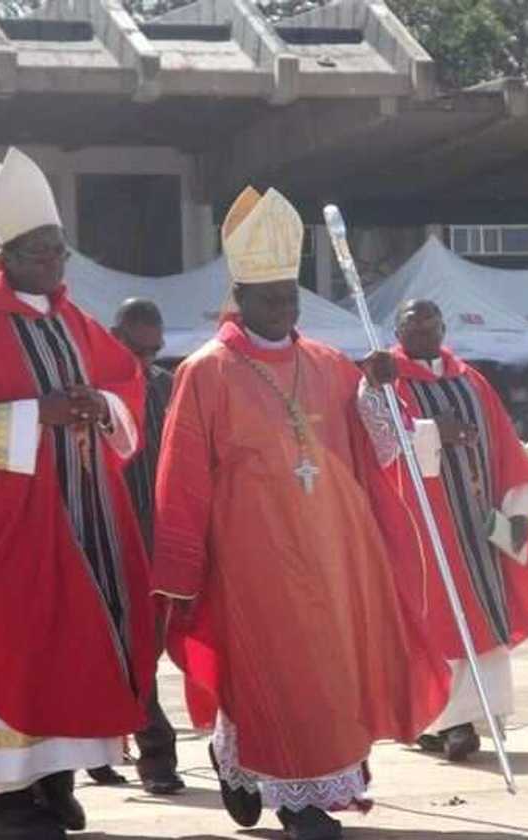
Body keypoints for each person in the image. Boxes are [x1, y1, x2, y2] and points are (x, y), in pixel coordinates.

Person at [151, 186, 449, 840]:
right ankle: (290, 797)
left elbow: (383, 447)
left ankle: (275, 779)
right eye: (271, 297)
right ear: (242, 296)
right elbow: (182, 473)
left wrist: (379, 389)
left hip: (330, 547)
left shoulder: (328, 363)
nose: (285, 307)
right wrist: (182, 563)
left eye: (291, 295)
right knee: (270, 663)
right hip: (250, 553)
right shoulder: (206, 372)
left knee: (324, 669)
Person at [0, 147, 155, 839]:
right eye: (41, 251)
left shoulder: (70, 317)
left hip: (83, 513)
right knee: (15, 645)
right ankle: (9, 797)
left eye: (60, 249)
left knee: (76, 640)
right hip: (4, 520)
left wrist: (98, 405)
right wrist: (38, 416)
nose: (56, 262)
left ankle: (55, 780)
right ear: (10, 254)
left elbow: (126, 382)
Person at [357, 299, 528, 763]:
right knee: (437, 614)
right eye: (414, 327)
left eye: (432, 326)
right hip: (420, 526)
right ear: (398, 330)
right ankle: (448, 723)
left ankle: (478, 717)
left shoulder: (470, 380)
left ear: (444, 329)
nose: (425, 335)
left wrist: (527, 517)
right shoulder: (383, 381)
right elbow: (379, 442)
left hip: (476, 523)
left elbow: (505, 446)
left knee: (482, 614)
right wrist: (434, 432)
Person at [84, 298, 183, 796]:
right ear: (112, 335)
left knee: (144, 651)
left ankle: (112, 746)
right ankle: (154, 754)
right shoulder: (88, 391)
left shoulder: (171, 388)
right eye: (134, 349)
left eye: (154, 350)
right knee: (118, 649)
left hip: (162, 538)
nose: (144, 361)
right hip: (100, 533)